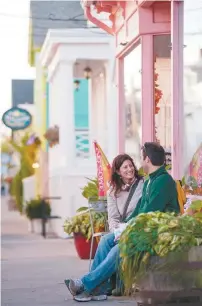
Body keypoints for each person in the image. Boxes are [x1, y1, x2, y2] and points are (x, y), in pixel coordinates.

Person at [64, 142, 180, 302]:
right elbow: (140, 210)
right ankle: (99, 289)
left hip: (157, 234)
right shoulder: (150, 181)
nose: (138, 163)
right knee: (106, 240)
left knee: (119, 249)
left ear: (147, 159)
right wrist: (123, 229)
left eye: (141, 158)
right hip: (144, 229)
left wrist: (128, 231)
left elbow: (150, 213)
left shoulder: (163, 181)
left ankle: (86, 285)